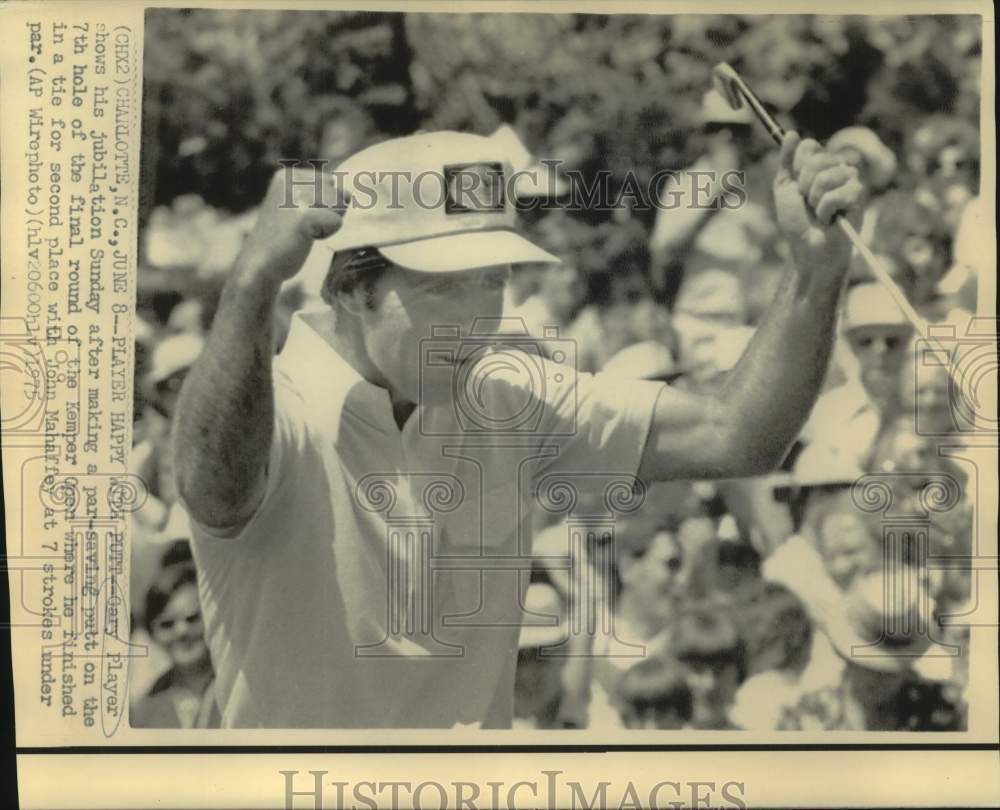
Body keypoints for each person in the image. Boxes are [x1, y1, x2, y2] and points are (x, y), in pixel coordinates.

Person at [172, 128, 864, 728]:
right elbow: (213, 488)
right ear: (350, 287)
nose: (478, 317)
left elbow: (736, 432)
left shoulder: (509, 402)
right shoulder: (279, 410)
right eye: (443, 286)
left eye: (492, 279)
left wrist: (814, 269)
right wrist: (251, 286)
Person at [794, 282, 915, 478]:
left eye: (892, 341)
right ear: (850, 345)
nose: (880, 350)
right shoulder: (824, 412)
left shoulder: (927, 404)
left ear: (907, 344)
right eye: (866, 341)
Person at [131, 561, 220, 729]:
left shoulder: (239, 689)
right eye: (167, 624)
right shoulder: (146, 708)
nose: (181, 631)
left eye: (192, 618)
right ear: (152, 633)